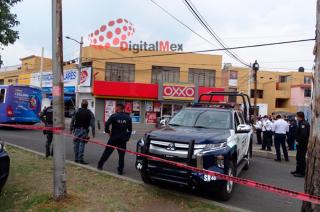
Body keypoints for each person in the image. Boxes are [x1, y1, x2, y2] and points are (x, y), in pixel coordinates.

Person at [97, 103, 132, 175]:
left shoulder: (114, 116)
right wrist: (127, 137)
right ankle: (120, 170)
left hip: (113, 138)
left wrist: (108, 131)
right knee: (121, 155)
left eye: (116, 108)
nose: (115, 109)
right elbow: (130, 130)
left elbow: (106, 124)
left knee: (107, 152)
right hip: (122, 139)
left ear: (118, 108)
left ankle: (100, 165)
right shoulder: (128, 117)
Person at [70, 100, 95, 164]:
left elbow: (72, 120)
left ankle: (76, 158)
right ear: (87, 106)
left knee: (76, 144)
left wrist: (71, 128)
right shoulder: (89, 112)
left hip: (77, 129)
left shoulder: (77, 111)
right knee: (82, 144)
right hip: (84, 130)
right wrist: (93, 131)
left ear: (81, 105)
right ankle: (80, 159)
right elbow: (92, 123)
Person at [291, 112, 310, 178]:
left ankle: (302, 173)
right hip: (300, 143)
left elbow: (303, 135)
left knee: (301, 158)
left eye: (296, 116)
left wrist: (298, 141)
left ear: (300, 116)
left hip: (302, 144)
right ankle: (297, 170)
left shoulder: (304, 124)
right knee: (298, 157)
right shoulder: (301, 123)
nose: (296, 117)